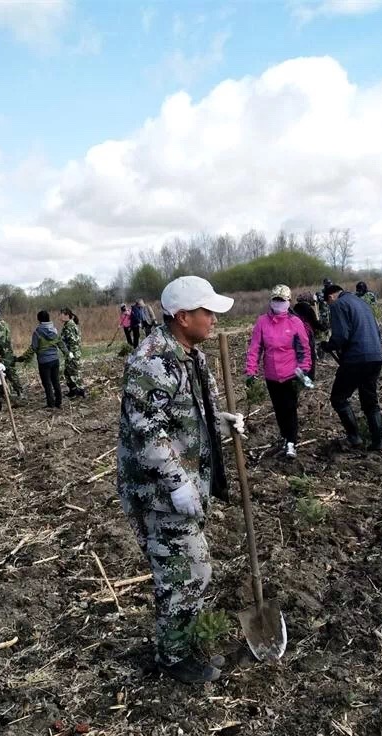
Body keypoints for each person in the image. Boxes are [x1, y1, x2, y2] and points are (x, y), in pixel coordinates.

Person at [117, 275, 243, 684]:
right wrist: (176, 481)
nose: (213, 319)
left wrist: (219, 423)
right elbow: (147, 431)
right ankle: (173, 658)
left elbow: (185, 414)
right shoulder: (153, 360)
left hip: (186, 481)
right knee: (184, 573)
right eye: (207, 312)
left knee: (194, 570)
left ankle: (186, 643)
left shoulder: (190, 354)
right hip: (158, 491)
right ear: (182, 316)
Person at [244, 285, 313, 459]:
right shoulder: (262, 322)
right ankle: (284, 437)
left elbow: (304, 349)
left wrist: (304, 371)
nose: (278, 303)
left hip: (291, 374)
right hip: (271, 375)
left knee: (290, 409)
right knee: (279, 409)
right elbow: (255, 348)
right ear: (271, 301)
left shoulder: (295, 322)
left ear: (288, 302)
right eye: (275, 299)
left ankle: (291, 443)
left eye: (282, 300)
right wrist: (251, 371)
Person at [322, 283, 382, 450]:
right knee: (369, 401)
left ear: (330, 297)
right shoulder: (362, 303)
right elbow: (378, 333)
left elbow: (341, 336)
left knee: (339, 398)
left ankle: (354, 437)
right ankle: (378, 442)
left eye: (328, 303)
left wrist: (329, 345)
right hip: (376, 356)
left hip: (356, 358)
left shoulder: (338, 305)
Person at [26, 310, 63, 409]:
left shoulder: (37, 331)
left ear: (39, 319)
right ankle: (59, 402)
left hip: (44, 361)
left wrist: (24, 358)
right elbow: (60, 343)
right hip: (55, 359)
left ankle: (50, 404)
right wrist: (68, 353)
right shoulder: (54, 329)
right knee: (56, 381)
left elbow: (34, 347)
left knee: (47, 383)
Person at [0, 307, 24, 398]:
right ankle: (8, 393)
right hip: (7, 353)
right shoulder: (2, 324)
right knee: (6, 374)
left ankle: (19, 393)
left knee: (10, 374)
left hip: (4, 355)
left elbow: (0, 342)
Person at [292, 292, 327, 380]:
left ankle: (298, 376)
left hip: (295, 336)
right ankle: (310, 377)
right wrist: (324, 327)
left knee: (298, 356)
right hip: (307, 335)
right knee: (311, 356)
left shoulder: (294, 308)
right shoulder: (308, 308)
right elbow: (315, 323)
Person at [58, 308, 86, 398]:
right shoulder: (68, 324)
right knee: (67, 373)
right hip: (71, 353)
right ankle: (73, 390)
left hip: (72, 353)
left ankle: (81, 391)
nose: (59, 316)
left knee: (74, 373)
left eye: (61, 314)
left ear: (66, 315)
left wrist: (70, 353)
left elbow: (73, 341)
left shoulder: (69, 326)